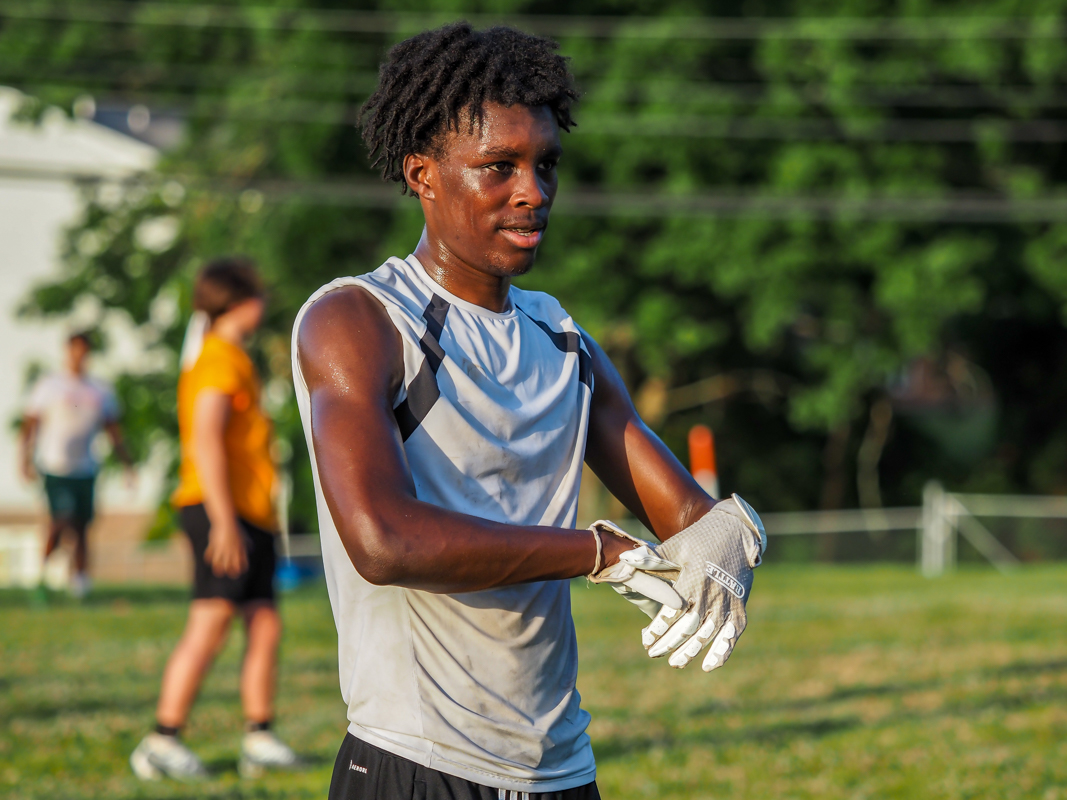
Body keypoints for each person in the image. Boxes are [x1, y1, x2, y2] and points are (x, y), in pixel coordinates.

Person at [294, 23, 766, 800]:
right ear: (422, 174)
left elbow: (687, 518)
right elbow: (383, 540)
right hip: (414, 760)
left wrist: (732, 536)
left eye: (545, 164)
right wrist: (597, 552)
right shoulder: (359, 318)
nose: (533, 192)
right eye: (498, 166)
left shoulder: (561, 338)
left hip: (562, 769)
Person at [130, 258, 300, 781]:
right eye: (259, 296)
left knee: (264, 623)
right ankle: (161, 740)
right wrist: (224, 522)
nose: (264, 304)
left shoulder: (234, 357)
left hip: (249, 512)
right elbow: (206, 440)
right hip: (219, 509)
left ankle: (259, 736)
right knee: (212, 620)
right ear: (240, 302)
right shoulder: (218, 358)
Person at [20, 330, 131, 599]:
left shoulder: (100, 390)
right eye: (75, 349)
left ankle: (81, 584)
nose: (79, 355)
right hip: (56, 466)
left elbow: (113, 431)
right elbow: (30, 426)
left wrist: (128, 464)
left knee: (81, 526)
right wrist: (25, 460)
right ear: (67, 351)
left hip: (86, 468)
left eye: (84, 350)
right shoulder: (49, 386)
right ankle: (42, 575)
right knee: (61, 519)